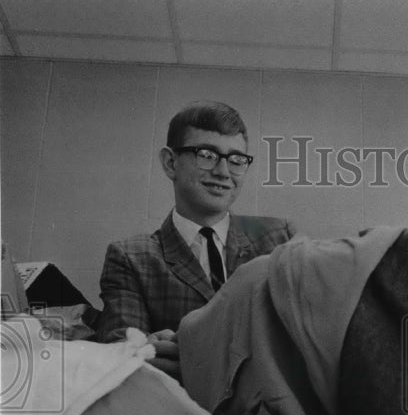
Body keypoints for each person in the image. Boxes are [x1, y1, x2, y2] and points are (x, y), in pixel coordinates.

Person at [95, 100, 297, 374]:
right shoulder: (131, 257)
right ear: (170, 163)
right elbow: (121, 358)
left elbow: (303, 338)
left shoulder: (278, 238)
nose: (224, 172)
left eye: (236, 160)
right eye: (207, 155)